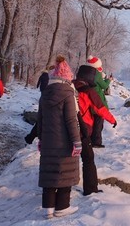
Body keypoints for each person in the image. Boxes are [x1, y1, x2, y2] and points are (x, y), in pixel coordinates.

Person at [37, 55, 81, 219]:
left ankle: (48, 208)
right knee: (64, 173)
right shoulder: (68, 94)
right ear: (67, 77)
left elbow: (40, 118)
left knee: (49, 173)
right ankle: (62, 207)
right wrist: (76, 141)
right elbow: (71, 120)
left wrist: (41, 138)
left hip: (48, 141)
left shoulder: (45, 94)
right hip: (64, 142)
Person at [73, 63, 117, 196]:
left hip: (67, 127)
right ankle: (90, 189)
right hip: (83, 129)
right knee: (88, 159)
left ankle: (62, 187)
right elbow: (100, 108)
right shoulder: (89, 91)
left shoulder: (70, 87)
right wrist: (113, 120)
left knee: (67, 158)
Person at [85, 56, 111, 148]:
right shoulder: (96, 74)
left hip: (88, 101)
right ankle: (96, 142)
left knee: (92, 122)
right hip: (98, 101)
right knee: (98, 123)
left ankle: (90, 140)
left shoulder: (86, 73)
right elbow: (103, 86)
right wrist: (108, 80)